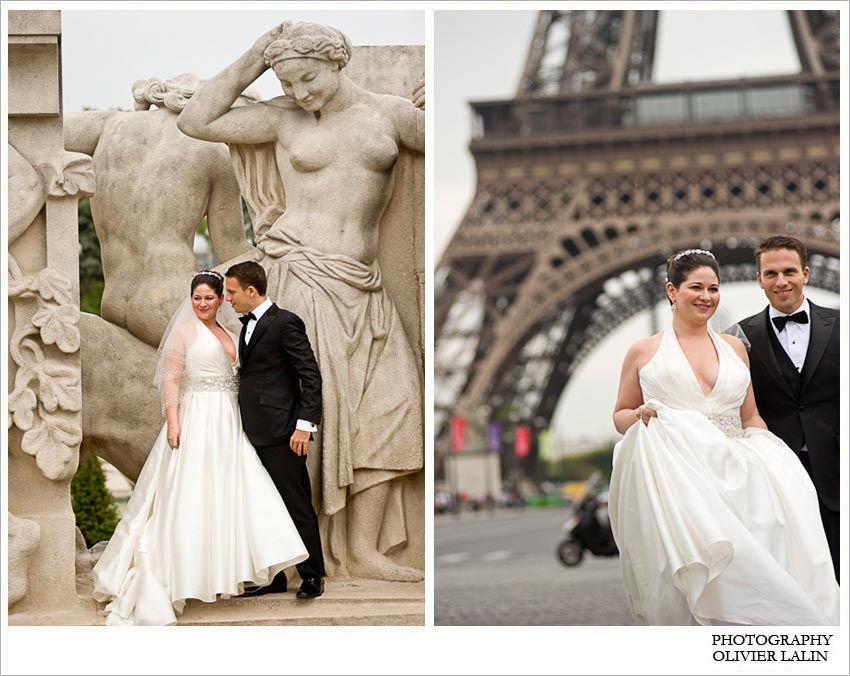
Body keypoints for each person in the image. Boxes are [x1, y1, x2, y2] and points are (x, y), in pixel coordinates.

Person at [178, 21, 424, 581]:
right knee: (316, 414)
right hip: (304, 277)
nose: (300, 94)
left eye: (308, 78)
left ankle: (364, 549)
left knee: (392, 406)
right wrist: (257, 58)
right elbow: (197, 121)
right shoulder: (282, 119)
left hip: (363, 283)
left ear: (338, 62)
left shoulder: (387, 114)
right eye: (288, 83)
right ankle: (297, 550)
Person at [608, 249, 838, 625]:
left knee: (762, 566)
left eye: (713, 288)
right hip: (682, 479)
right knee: (701, 576)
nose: (706, 296)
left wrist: (775, 469)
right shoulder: (642, 351)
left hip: (739, 473)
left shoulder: (735, 346)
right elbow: (620, 415)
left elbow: (750, 416)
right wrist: (638, 416)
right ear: (672, 290)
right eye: (696, 287)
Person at [91, 270, 308, 625]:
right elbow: (172, 380)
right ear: (190, 299)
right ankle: (178, 573)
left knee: (235, 493)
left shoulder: (231, 332)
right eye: (197, 298)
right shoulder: (183, 331)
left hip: (230, 421)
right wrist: (173, 421)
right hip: (196, 419)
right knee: (191, 494)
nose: (203, 304)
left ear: (222, 298)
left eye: (210, 298)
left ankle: (229, 571)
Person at [64, 74, 254, 347]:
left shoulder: (111, 126)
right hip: (170, 303)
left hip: (114, 300)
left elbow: (37, 128)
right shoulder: (214, 151)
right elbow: (231, 249)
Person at [727, 236, 840, 581]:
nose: (781, 281)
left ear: (805, 273)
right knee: (792, 573)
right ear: (759, 278)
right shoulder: (737, 338)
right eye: (771, 273)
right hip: (776, 473)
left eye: (789, 271)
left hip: (839, 465)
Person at [224, 261, 325, 598]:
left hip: (283, 431)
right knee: (267, 507)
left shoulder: (285, 323)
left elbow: (309, 375)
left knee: (296, 503)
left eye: (232, 291)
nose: (228, 298)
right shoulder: (246, 326)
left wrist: (303, 427)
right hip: (252, 431)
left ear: (252, 291)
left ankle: (312, 576)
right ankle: (276, 577)